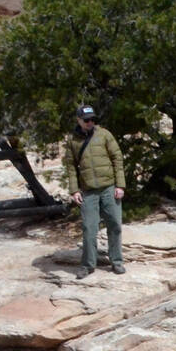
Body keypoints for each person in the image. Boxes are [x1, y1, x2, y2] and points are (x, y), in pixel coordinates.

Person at [62, 105, 125, 278]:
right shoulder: (72, 141)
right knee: (89, 228)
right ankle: (88, 265)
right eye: (86, 120)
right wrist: (74, 190)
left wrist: (120, 185)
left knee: (115, 225)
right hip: (88, 190)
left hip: (109, 187)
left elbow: (117, 158)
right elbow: (70, 167)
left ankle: (117, 261)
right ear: (79, 120)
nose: (90, 122)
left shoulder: (104, 134)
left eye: (92, 119)